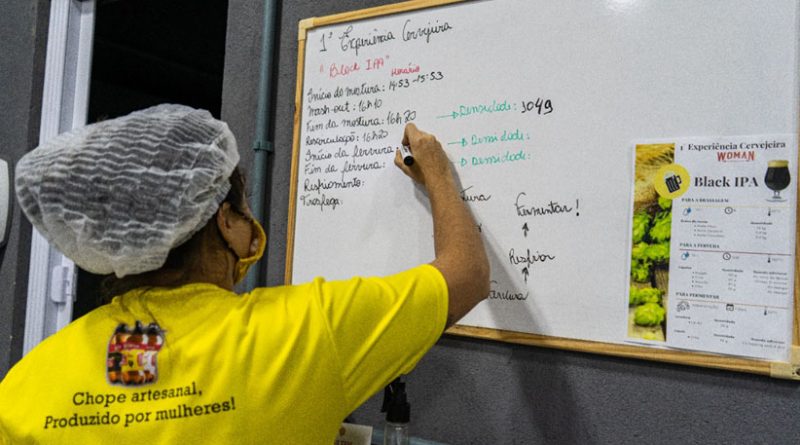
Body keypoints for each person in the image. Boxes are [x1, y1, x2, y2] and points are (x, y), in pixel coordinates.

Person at [0, 104, 489, 444]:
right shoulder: (305, 331)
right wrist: (437, 171)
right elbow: (466, 275)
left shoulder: (26, 384)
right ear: (226, 222)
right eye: (242, 204)